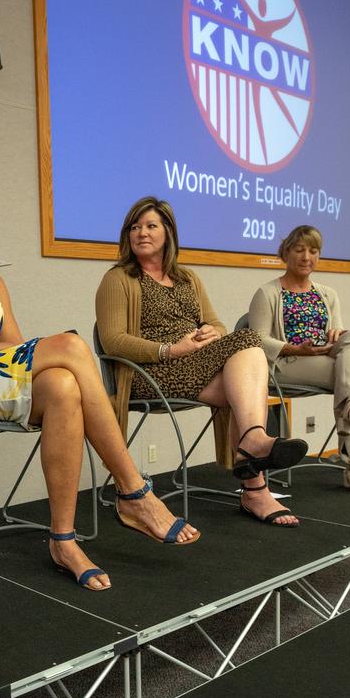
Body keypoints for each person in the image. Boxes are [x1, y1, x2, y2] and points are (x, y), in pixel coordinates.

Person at [0, 177, 200, 593]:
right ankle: (134, 490)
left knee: (62, 385)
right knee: (73, 346)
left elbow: (14, 345)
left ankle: (63, 540)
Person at [95, 196, 307, 527]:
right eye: (134, 227)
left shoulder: (188, 278)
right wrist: (170, 349)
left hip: (194, 365)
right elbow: (113, 341)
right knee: (248, 348)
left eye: (151, 226)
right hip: (148, 373)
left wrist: (210, 332)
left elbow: (218, 325)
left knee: (242, 377)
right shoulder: (118, 279)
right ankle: (255, 480)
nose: (142, 233)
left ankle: (253, 459)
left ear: (168, 232)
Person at [249, 225, 350, 497]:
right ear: (285, 253)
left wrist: (335, 333)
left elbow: (339, 335)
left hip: (323, 357)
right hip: (287, 363)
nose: (306, 256)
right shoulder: (267, 293)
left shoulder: (328, 294)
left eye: (313, 250)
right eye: (299, 249)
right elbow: (257, 339)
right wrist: (295, 348)